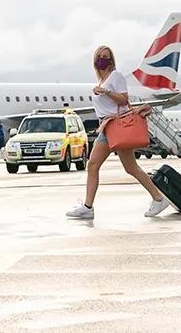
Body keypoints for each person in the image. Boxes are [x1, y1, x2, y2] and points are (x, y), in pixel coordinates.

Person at [66, 45, 170, 219]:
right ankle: (88, 207)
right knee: (95, 165)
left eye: (106, 56)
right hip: (106, 128)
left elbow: (124, 100)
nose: (102, 59)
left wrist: (106, 92)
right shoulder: (102, 80)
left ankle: (158, 198)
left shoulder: (116, 76)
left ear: (111, 60)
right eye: (100, 56)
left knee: (129, 168)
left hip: (116, 126)